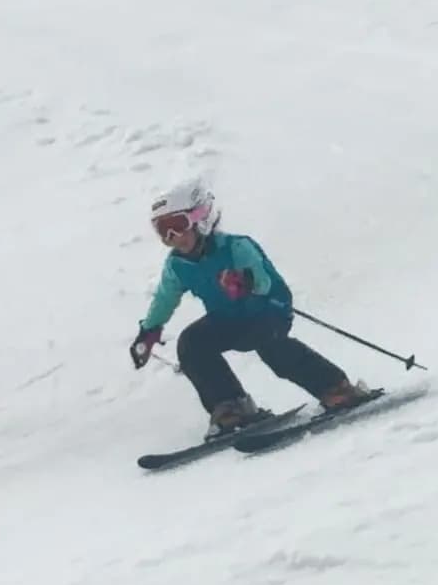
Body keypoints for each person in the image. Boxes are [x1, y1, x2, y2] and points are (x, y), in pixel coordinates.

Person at [129, 179, 371, 439]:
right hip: (227, 319)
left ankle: (336, 388)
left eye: (177, 226)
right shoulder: (177, 265)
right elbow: (164, 299)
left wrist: (245, 282)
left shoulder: (235, 247)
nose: (172, 238)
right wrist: (149, 332)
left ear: (201, 218)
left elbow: (263, 281)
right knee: (192, 343)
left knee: (272, 346)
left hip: (267, 310)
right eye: (163, 231)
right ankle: (232, 406)